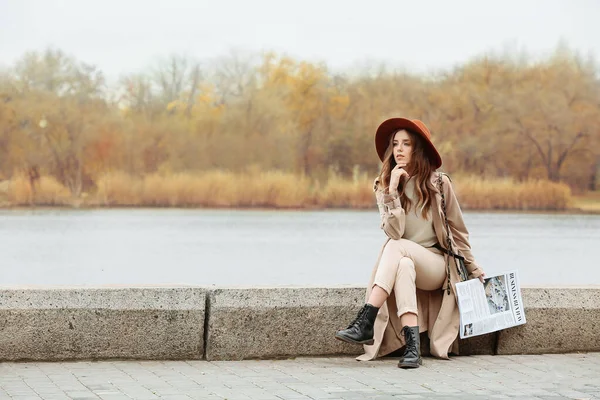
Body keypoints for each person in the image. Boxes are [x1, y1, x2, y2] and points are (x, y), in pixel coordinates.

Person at [335, 117, 485, 369]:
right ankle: (412, 349)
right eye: (395, 144)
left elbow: (458, 232)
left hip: (436, 266)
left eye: (406, 144)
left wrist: (474, 267)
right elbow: (394, 232)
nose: (399, 149)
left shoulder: (439, 183)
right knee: (403, 262)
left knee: (397, 248)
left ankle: (366, 319)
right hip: (406, 261)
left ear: (418, 149)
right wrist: (393, 192)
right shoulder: (384, 185)